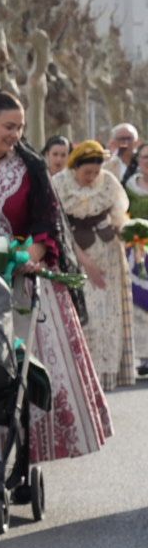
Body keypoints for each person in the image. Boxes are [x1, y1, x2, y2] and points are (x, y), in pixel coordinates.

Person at [0, 86, 110, 463]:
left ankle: (22, 456)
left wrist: (25, 256)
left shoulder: (31, 168)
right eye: (8, 126)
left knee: (17, 371)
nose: (15, 134)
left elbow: (46, 225)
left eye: (20, 127)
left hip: (20, 282)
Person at [54, 140, 137, 390]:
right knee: (86, 317)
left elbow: (118, 215)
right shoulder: (59, 184)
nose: (91, 177)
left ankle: (107, 374)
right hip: (76, 256)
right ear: (75, 167)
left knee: (107, 318)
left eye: (96, 172)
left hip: (109, 255)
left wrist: (131, 233)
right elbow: (60, 228)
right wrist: (84, 260)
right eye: (86, 172)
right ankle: (84, 377)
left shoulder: (109, 182)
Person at [123, 142, 148, 376]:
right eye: (144, 157)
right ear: (138, 160)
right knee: (139, 305)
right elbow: (122, 214)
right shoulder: (129, 187)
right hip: (136, 251)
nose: (147, 162)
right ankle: (144, 355)